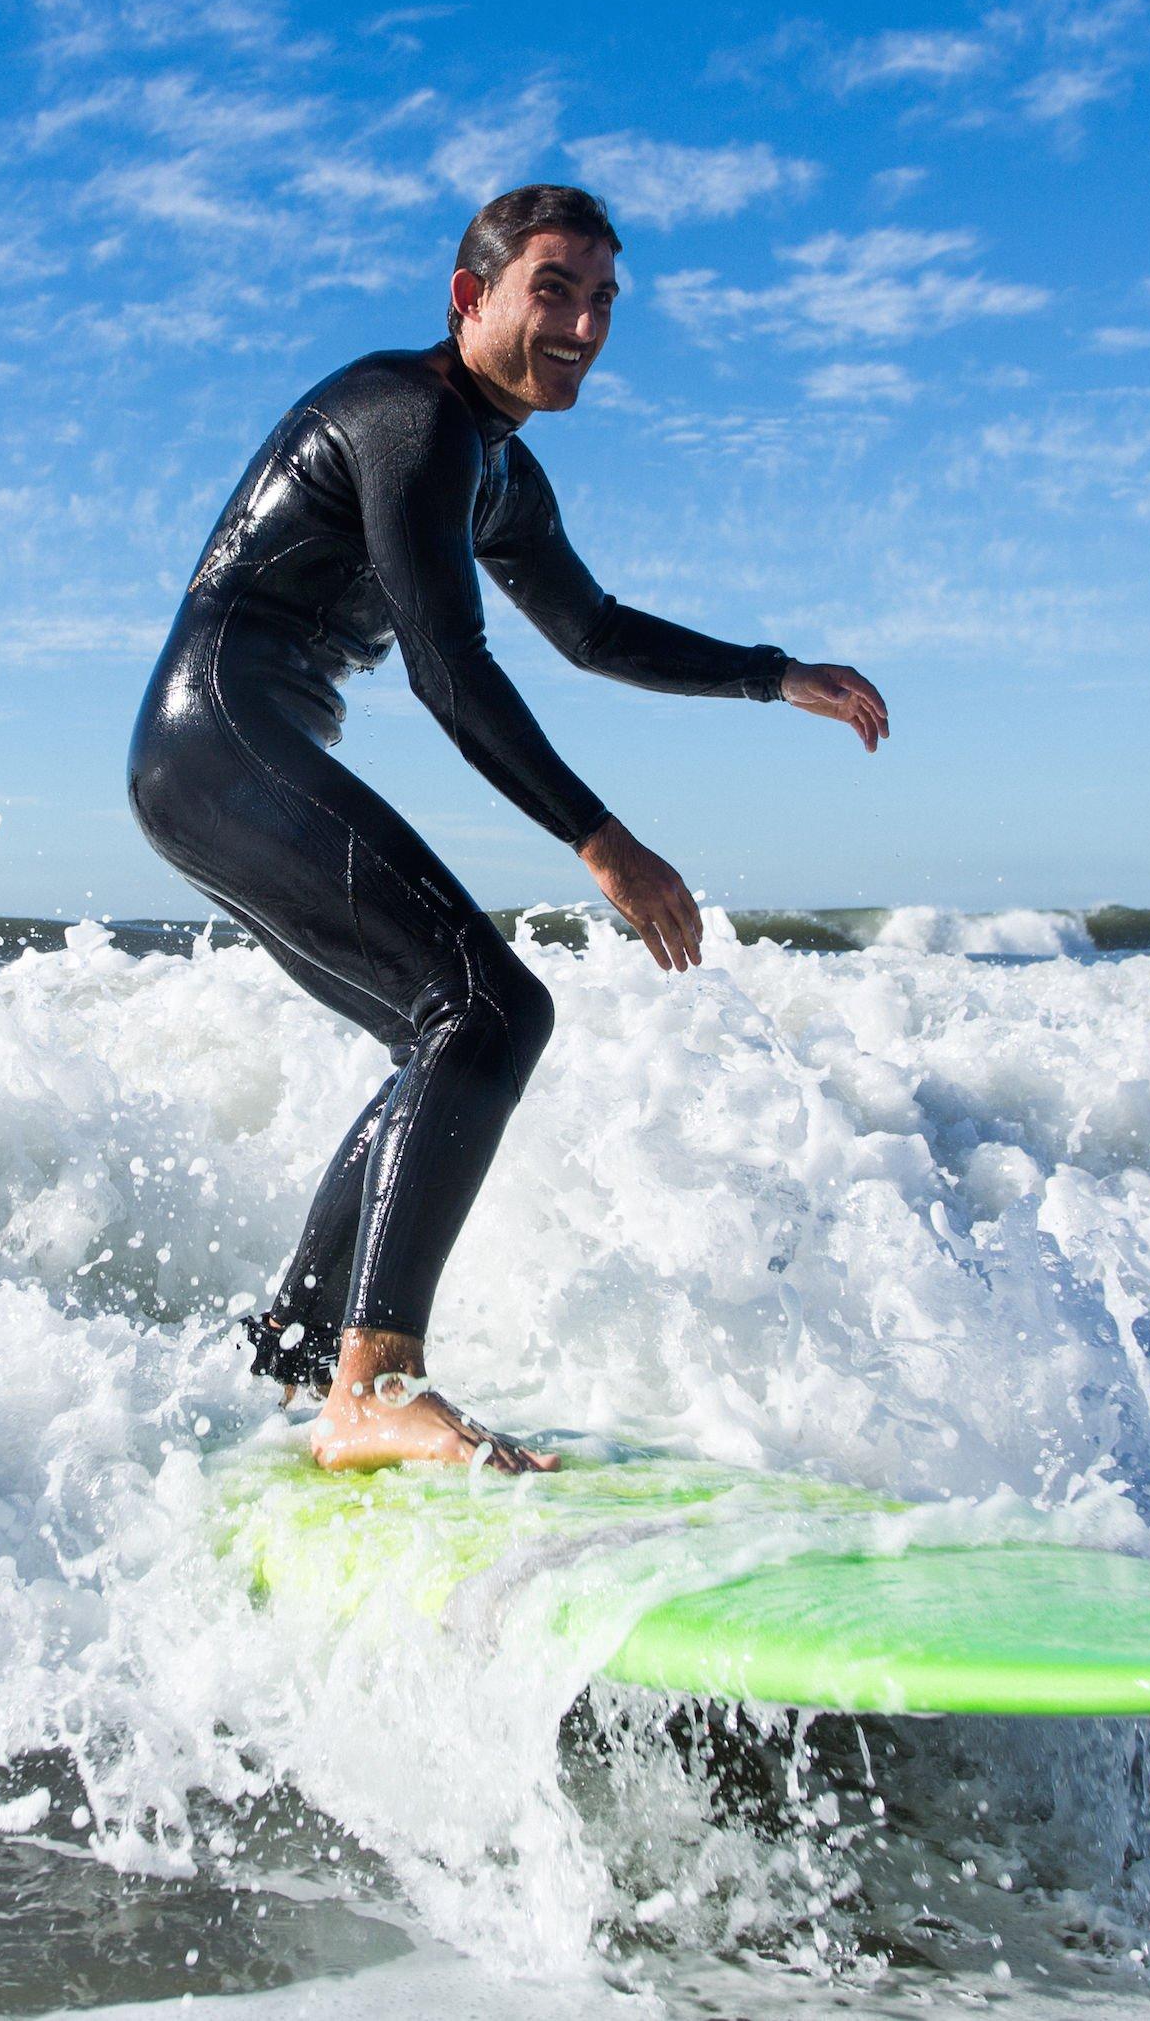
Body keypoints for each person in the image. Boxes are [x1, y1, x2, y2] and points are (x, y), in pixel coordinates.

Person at [127, 185, 890, 1475]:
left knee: (439, 1035)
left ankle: (302, 1366)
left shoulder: (494, 468)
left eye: (601, 300)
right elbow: (445, 661)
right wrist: (601, 838)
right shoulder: (406, 417)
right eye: (554, 288)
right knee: (488, 1012)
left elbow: (591, 630)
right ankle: (373, 1381)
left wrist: (774, 672)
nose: (584, 322)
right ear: (468, 295)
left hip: (220, 754)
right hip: (219, 734)